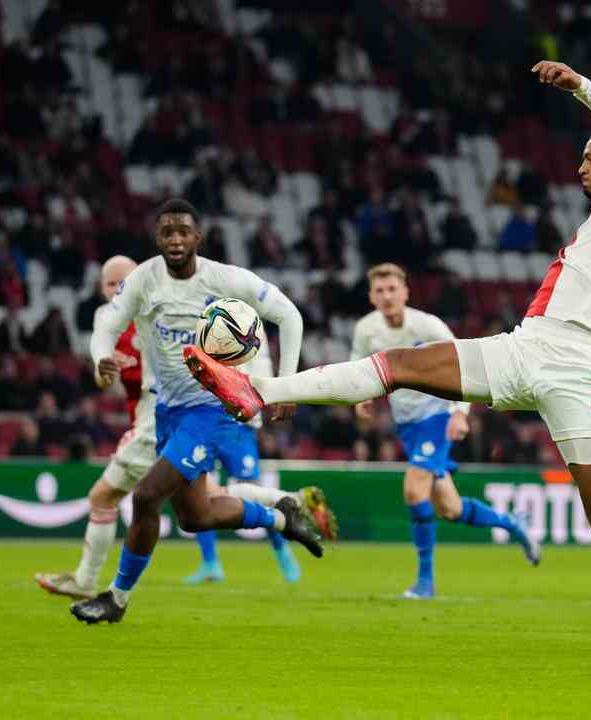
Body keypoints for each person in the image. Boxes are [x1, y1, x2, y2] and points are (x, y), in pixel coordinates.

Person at [185, 61, 591, 664]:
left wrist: (581, 88)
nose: (580, 168)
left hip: (581, 366)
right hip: (525, 344)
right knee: (397, 362)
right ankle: (258, 389)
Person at [68, 199, 326, 625]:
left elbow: (289, 314)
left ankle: (115, 598)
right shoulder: (143, 280)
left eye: (182, 231)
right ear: (158, 238)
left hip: (209, 410)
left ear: (196, 237)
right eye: (167, 232)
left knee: (146, 495)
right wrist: (101, 357)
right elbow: (107, 326)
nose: (175, 239)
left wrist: (285, 385)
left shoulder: (223, 278)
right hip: (167, 410)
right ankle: (282, 515)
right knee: (194, 516)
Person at [352, 263, 539, 599]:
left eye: (393, 289)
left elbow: (463, 366)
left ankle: (425, 582)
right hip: (406, 424)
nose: (387, 296)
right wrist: (360, 399)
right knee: (450, 508)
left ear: (405, 292)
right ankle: (513, 523)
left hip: (436, 415)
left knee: (413, 491)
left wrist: (459, 413)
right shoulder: (366, 330)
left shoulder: (428, 326)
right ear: (371, 296)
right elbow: (358, 367)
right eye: (380, 291)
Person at [184, 330, 338, 586]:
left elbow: (262, 364)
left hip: (237, 423)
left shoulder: (249, 322)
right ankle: (210, 563)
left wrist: (256, 408)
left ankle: (283, 550)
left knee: (251, 490)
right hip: (202, 419)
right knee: (198, 492)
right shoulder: (201, 315)